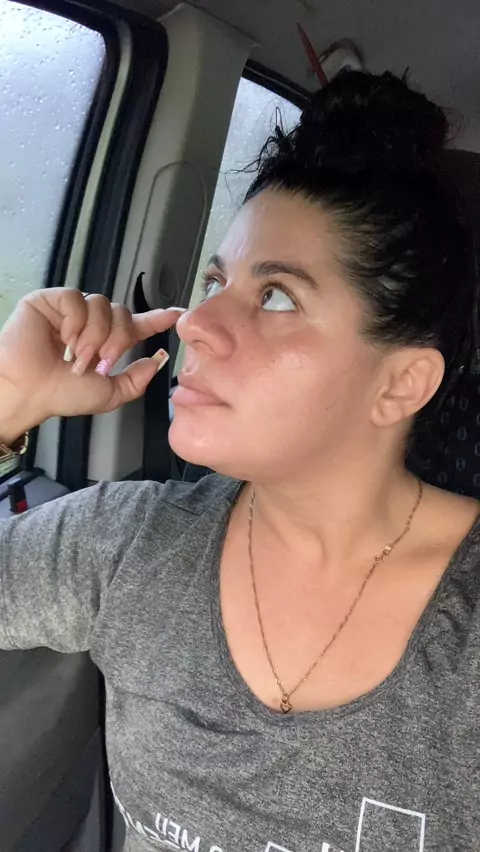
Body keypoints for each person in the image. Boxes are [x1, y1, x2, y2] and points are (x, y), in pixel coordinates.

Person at [0, 70, 479, 852]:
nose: (196, 323)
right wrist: (8, 399)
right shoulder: (128, 541)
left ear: (400, 384)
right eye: (215, 279)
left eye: (277, 296)